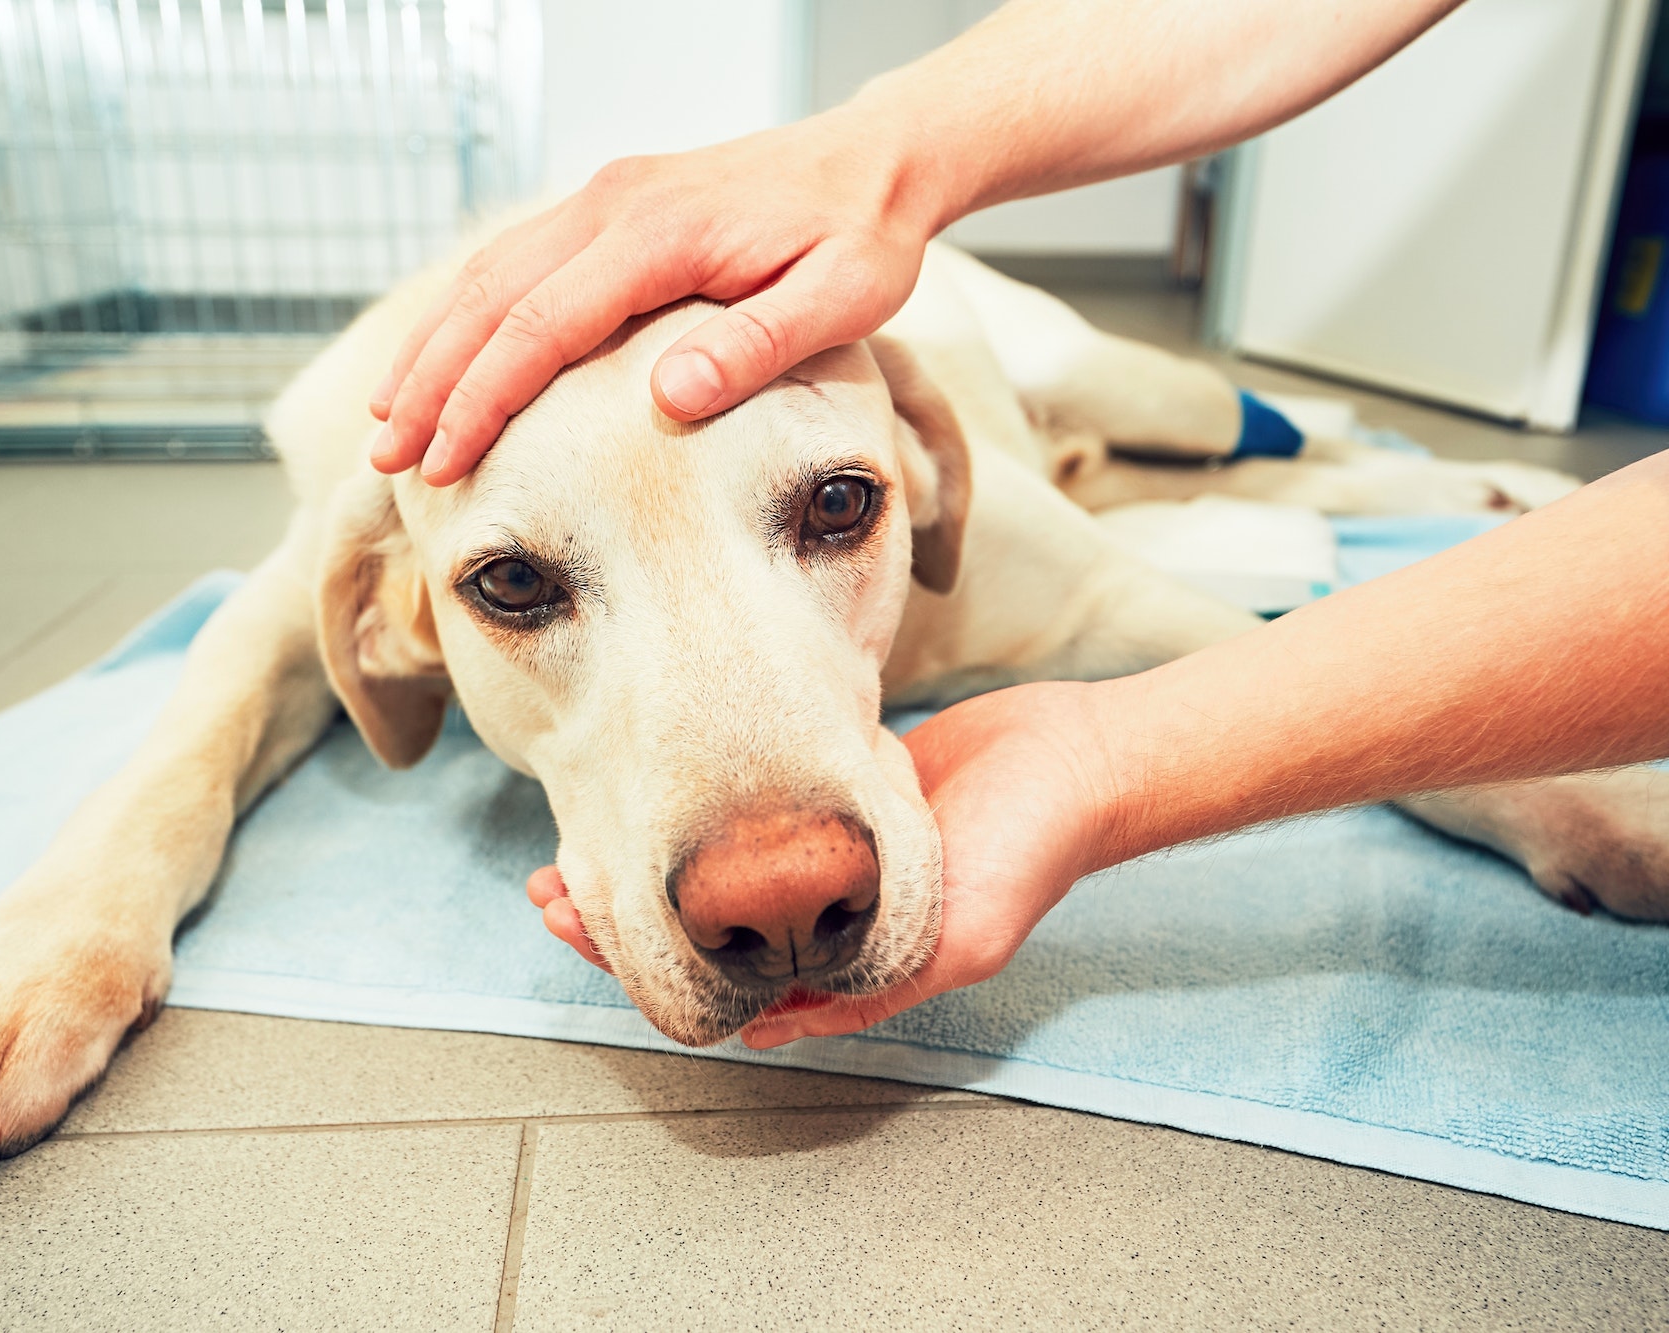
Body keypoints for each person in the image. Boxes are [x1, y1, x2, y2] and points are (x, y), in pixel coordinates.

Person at [375, 0, 1669, 1043]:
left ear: (925, 481)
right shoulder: (389, 488)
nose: (775, 881)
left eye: (832, 507)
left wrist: (1512, 781)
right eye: (519, 586)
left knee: (1170, 404)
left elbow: (1138, 610)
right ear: (404, 617)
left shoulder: (924, 435)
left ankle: (1320, 452)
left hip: (995, 362)